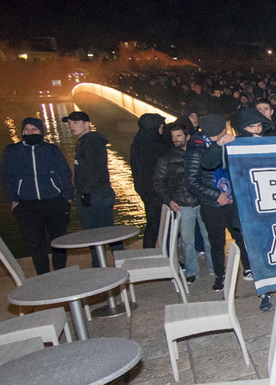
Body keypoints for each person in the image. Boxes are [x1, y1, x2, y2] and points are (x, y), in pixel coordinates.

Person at [233, 108, 276, 311]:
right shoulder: (234, 146)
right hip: (250, 211)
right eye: (251, 127)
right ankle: (264, 292)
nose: (256, 131)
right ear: (241, 129)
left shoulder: (271, 142)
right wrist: (220, 144)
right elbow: (209, 162)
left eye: (258, 126)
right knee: (258, 252)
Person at [184, 114, 253, 292]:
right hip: (212, 204)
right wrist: (216, 195)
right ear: (223, 129)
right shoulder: (196, 146)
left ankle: (248, 268)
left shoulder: (229, 142)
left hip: (232, 199)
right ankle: (221, 276)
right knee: (216, 241)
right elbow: (191, 180)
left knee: (239, 235)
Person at [1, 117, 73, 274]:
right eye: (26, 130)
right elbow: (7, 176)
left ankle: (61, 273)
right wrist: (13, 200)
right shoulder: (13, 151)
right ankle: (44, 277)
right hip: (26, 205)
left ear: (41, 131)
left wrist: (67, 197)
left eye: (34, 129)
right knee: (35, 244)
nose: (30, 132)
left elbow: (65, 172)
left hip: (54, 201)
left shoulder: (51, 149)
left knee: (58, 241)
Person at [152, 122, 212, 284]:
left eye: (179, 136)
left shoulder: (199, 153)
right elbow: (158, 181)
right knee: (187, 241)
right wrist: (169, 200)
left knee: (209, 237)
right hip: (182, 203)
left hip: (202, 201)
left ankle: (215, 268)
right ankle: (192, 271)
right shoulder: (167, 158)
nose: (175, 139)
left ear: (188, 136)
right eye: (173, 136)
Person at [63, 111, 122, 266]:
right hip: (99, 192)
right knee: (108, 231)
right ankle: (120, 261)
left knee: (94, 234)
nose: (71, 126)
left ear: (87, 124)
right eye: (70, 123)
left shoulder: (89, 142)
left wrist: (86, 193)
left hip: (94, 194)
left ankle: (99, 267)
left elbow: (96, 169)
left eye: (76, 123)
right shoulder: (89, 141)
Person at [129, 113, 168, 248]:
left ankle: (149, 251)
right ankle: (164, 255)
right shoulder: (154, 145)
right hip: (155, 191)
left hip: (144, 189)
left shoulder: (138, 141)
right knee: (160, 224)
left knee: (153, 223)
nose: (163, 127)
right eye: (161, 124)